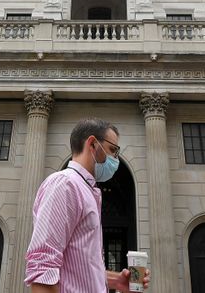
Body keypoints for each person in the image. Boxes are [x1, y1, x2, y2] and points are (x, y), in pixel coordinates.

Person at [25, 119, 150, 292]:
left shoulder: (85, 189)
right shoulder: (65, 184)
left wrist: (115, 281)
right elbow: (43, 267)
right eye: (113, 150)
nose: (116, 159)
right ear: (92, 144)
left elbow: (79, 267)